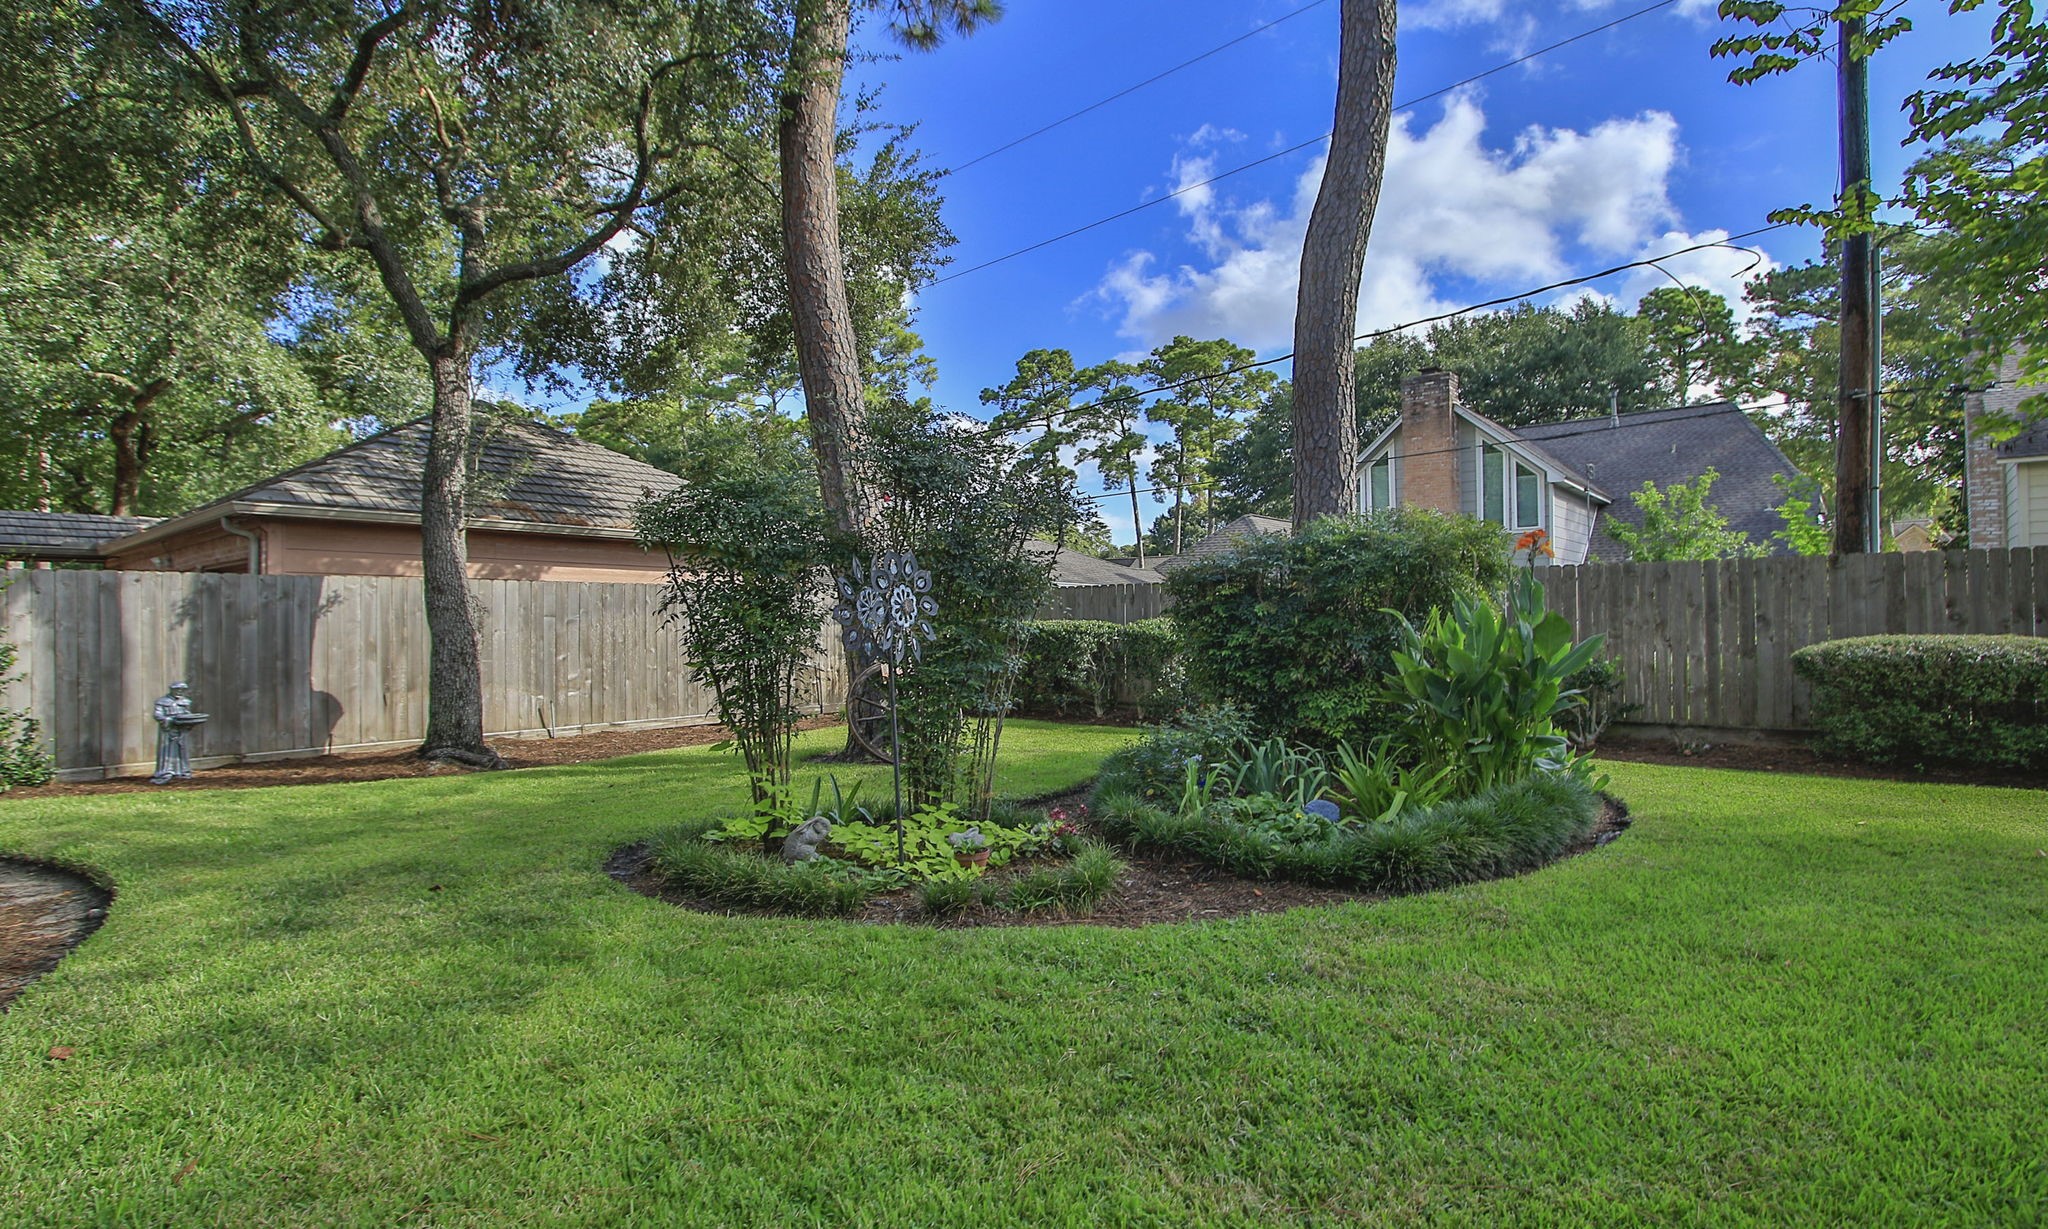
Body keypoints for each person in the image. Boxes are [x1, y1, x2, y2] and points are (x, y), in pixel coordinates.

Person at [151, 681, 200, 784]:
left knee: (182, 749)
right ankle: (165, 772)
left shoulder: (185, 702)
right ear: (172, 690)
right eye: (177, 689)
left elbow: (187, 713)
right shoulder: (162, 701)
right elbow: (157, 715)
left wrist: (189, 719)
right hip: (168, 730)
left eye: (182, 690)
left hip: (181, 729)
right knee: (167, 750)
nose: (179, 692)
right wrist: (169, 720)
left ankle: (182, 771)